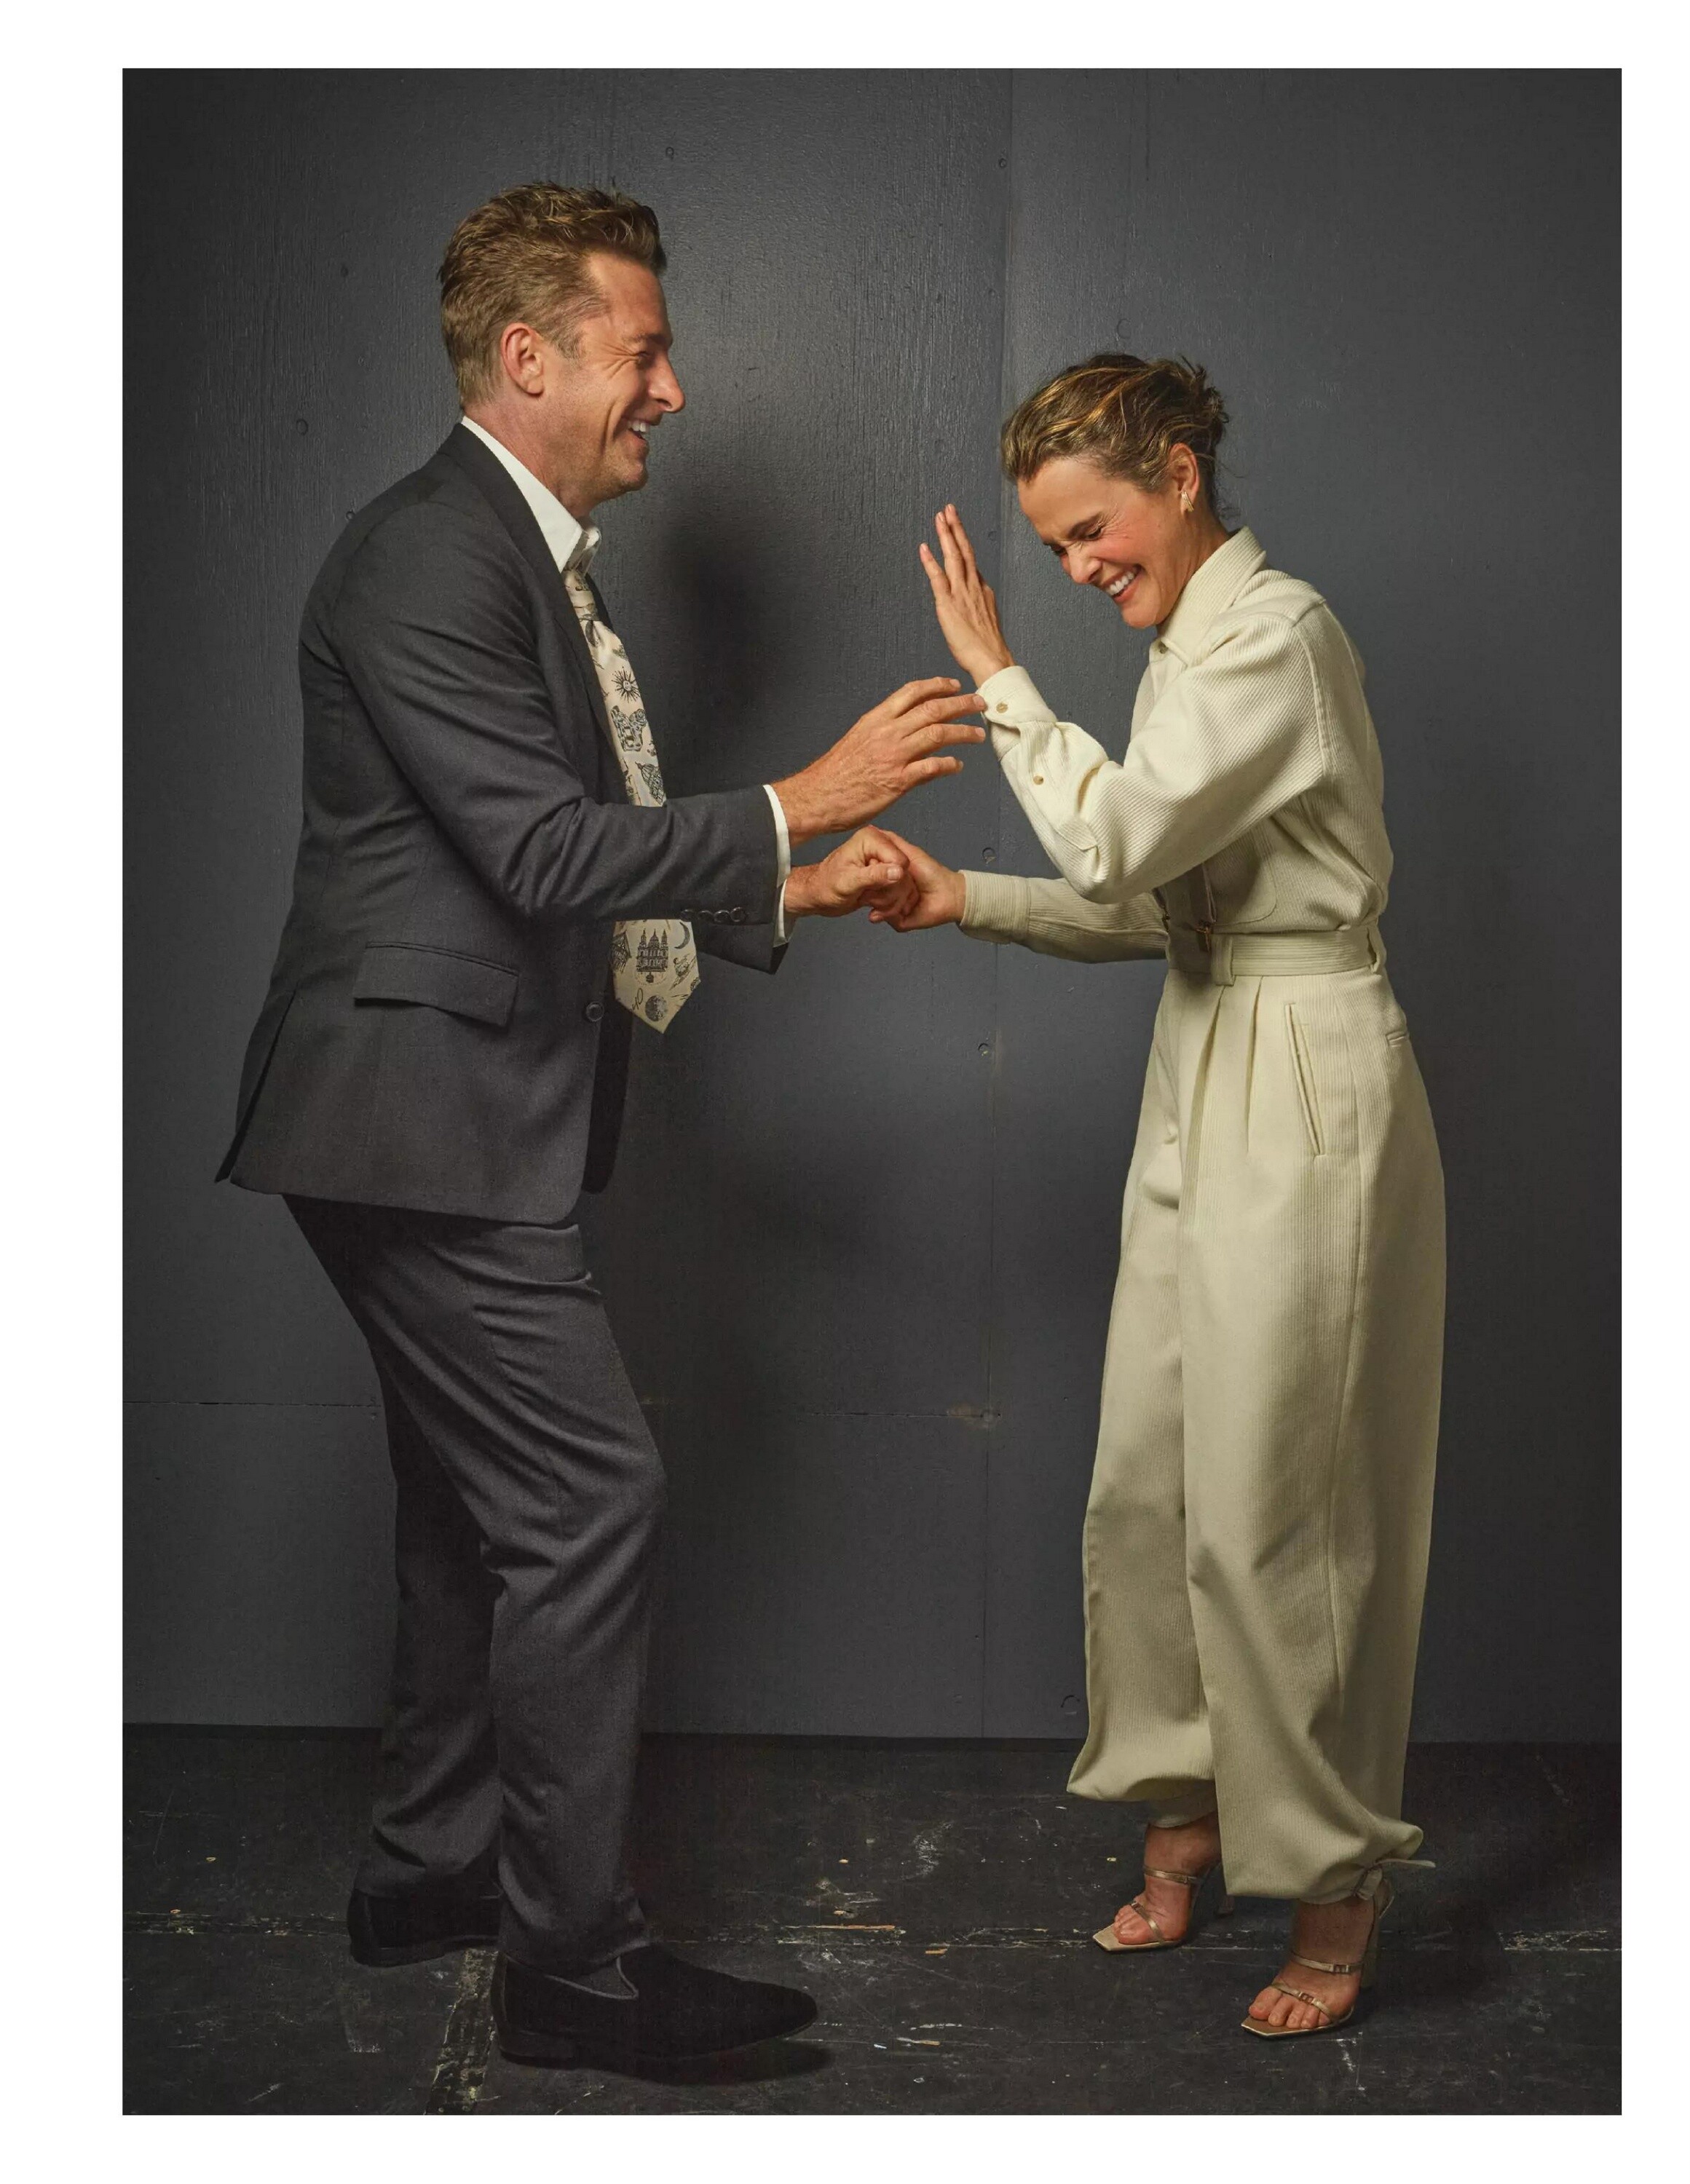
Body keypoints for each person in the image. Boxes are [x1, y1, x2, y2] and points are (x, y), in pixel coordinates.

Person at [216, 181, 984, 2074]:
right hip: (418, 1121)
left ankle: (431, 1875)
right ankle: (572, 1967)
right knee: (584, 1500)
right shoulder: (432, 555)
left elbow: (542, 860)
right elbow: (544, 853)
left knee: (465, 1507)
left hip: (428, 1114)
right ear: (529, 356)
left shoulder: (519, 557)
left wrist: (782, 886)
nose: (673, 389)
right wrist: (799, 802)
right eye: (644, 352)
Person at [862, 353, 1445, 2040]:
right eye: (1053, 547)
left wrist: (999, 676)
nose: (1076, 568)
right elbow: (1160, 908)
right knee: (1148, 1486)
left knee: (1284, 1515)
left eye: (1091, 529)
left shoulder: (1275, 638)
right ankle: (1185, 1815)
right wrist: (963, 896)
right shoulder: (1190, 646)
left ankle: (1331, 1887)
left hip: (1308, 1076)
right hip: (1206, 1049)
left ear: (1181, 474)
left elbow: (1116, 845)